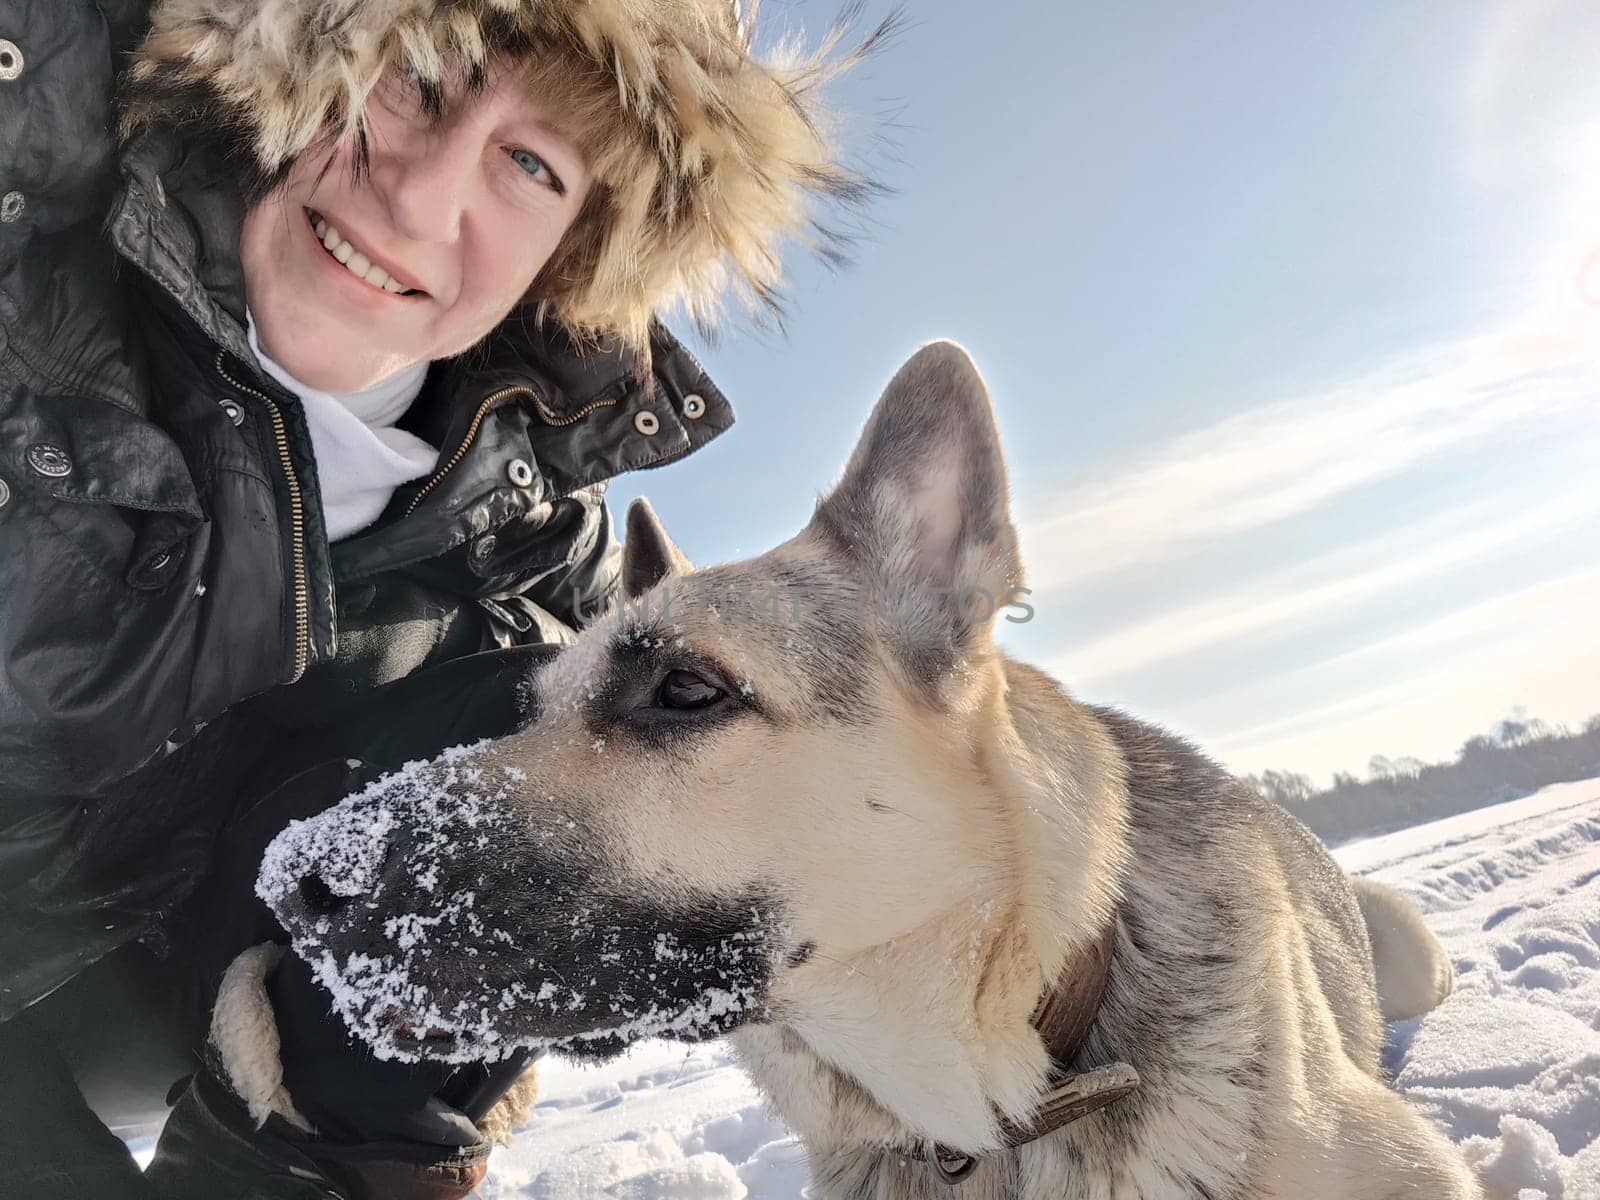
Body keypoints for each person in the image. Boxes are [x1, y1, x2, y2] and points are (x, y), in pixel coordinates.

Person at [0, 1, 877, 1195]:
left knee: (575, 716)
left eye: (529, 164)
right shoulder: (29, 253)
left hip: (174, 984)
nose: (419, 201)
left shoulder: (524, 521)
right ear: (292, 57)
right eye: (416, 76)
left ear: (576, 252)